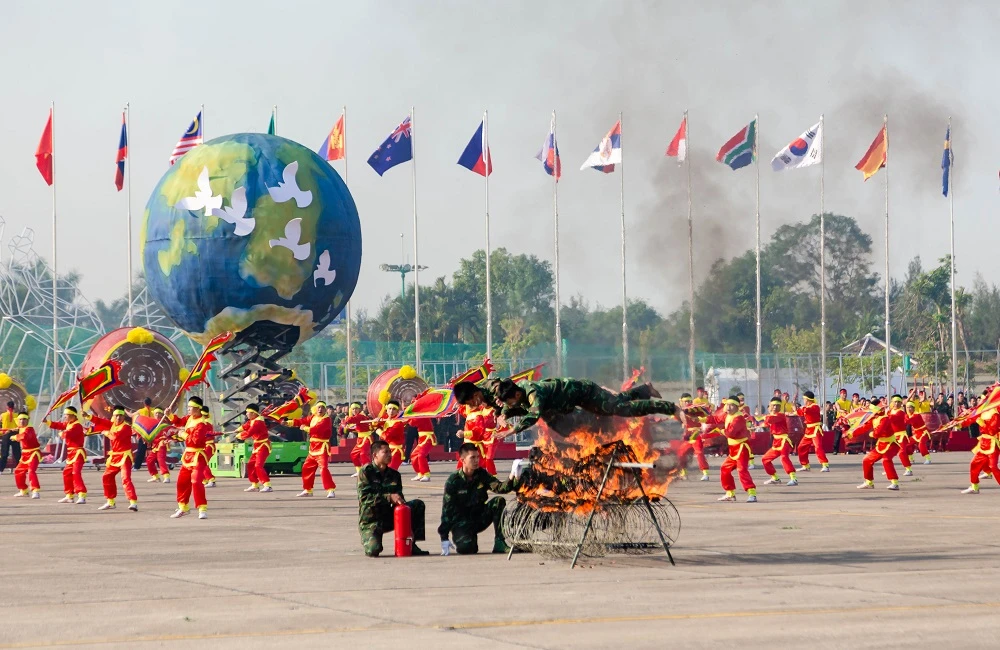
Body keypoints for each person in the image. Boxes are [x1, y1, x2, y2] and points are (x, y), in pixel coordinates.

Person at [489, 377, 679, 437]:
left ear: (516, 394)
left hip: (585, 393)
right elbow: (516, 405)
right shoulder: (517, 389)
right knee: (616, 403)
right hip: (575, 401)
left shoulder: (532, 393)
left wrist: (511, 430)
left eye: (509, 402)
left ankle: (669, 407)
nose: (509, 405)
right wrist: (504, 412)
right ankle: (645, 389)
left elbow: (533, 414)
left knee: (620, 409)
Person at [438, 443, 518, 555]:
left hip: (479, 517)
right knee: (467, 550)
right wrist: (444, 537)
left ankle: (499, 543)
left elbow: (500, 488)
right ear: (463, 460)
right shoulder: (453, 481)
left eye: (477, 457)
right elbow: (447, 510)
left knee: (498, 501)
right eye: (472, 458)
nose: (476, 461)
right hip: (461, 522)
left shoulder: (482, 474)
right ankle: (469, 539)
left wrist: (512, 477)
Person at [357, 440, 429, 557]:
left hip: (388, 517)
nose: (390, 455)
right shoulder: (366, 472)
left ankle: (412, 544)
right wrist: (388, 497)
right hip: (371, 520)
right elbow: (365, 498)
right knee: (373, 551)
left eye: (390, 451)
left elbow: (400, 499)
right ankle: (371, 538)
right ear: (375, 455)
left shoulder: (394, 475)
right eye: (385, 452)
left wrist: (407, 523)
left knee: (417, 505)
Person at [168, 397, 218, 519]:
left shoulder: (202, 424)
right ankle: (183, 507)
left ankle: (202, 508)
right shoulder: (189, 418)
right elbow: (179, 422)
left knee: (195, 481)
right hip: (188, 456)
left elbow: (195, 441)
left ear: (197, 408)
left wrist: (182, 434)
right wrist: (169, 415)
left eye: (190, 407)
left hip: (198, 455)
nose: (188, 409)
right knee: (182, 482)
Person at [701, 397, 758, 503]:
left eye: (731, 405)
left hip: (741, 448)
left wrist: (721, 430)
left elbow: (730, 433)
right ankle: (730, 493)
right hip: (733, 450)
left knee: (742, 470)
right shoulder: (727, 415)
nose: (728, 407)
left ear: (737, 407)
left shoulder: (738, 418)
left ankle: (752, 493)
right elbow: (716, 419)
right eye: (727, 405)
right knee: (725, 469)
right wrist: (702, 419)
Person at [88, 406, 140, 512]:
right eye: (116, 416)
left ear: (123, 416)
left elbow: (115, 436)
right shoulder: (112, 425)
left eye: (121, 415)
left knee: (125, 479)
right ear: (113, 416)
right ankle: (110, 501)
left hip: (125, 456)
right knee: (107, 477)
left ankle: (133, 503)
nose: (118, 418)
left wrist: (105, 432)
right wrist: (88, 416)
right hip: (114, 457)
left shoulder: (126, 427)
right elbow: (100, 421)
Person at [845, 399, 901, 491]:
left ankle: (895, 483)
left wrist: (871, 434)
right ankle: (869, 482)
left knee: (886, 459)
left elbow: (877, 433)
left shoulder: (885, 419)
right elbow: (864, 427)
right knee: (866, 460)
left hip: (891, 444)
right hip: (881, 444)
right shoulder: (874, 418)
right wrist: (851, 434)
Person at [47, 406, 94, 504]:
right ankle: (69, 495)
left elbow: (67, 434)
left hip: (77, 453)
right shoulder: (69, 424)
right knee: (67, 473)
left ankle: (81, 495)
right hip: (71, 454)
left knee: (76, 473)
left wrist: (61, 434)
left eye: (66, 415)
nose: (64, 416)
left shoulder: (77, 426)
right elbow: (59, 425)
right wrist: (47, 422)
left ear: (72, 415)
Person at [290, 401, 336, 498]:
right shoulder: (313, 417)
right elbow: (302, 421)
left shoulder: (326, 419)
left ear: (325, 410)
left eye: (322, 407)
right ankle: (308, 490)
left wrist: (305, 428)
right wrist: (289, 422)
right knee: (306, 468)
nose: (320, 409)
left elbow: (317, 429)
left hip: (322, 447)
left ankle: (330, 490)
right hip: (313, 447)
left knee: (323, 468)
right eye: (319, 407)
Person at [761, 398, 798, 486]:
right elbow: (766, 424)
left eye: (777, 405)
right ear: (770, 405)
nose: (775, 407)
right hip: (776, 442)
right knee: (765, 459)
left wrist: (764, 417)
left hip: (784, 440)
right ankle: (775, 478)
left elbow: (769, 420)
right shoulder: (771, 416)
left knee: (784, 457)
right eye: (773, 405)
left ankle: (793, 478)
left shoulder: (780, 415)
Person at [238, 404, 273, 493]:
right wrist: (239, 429)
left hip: (263, 446)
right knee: (250, 465)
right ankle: (255, 485)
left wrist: (241, 435)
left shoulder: (258, 422)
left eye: (247, 412)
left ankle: (267, 485)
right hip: (257, 446)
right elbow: (246, 426)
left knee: (258, 465)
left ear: (253, 413)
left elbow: (249, 432)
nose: (246, 414)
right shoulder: (253, 420)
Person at [676, 393, 710, 481]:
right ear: (681, 402)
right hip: (687, 435)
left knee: (699, 452)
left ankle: (705, 473)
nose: (687, 402)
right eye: (685, 401)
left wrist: (698, 418)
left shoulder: (696, 409)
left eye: (689, 401)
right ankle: (684, 472)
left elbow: (707, 416)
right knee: (681, 453)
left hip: (696, 434)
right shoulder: (681, 411)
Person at [796, 391, 830, 472]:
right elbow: (799, 413)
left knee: (818, 447)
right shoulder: (806, 407)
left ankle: (825, 465)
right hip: (808, 431)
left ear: (807, 399)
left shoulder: (815, 406)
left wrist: (801, 408)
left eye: (804, 399)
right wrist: (794, 408)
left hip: (815, 429)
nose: (803, 401)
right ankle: (805, 465)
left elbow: (807, 410)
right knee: (801, 447)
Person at [11, 412, 41, 498]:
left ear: (28, 420)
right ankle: (23, 490)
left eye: (24, 419)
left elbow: (24, 436)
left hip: (33, 453)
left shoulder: (29, 429)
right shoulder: (21, 428)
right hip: (25, 454)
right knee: (18, 471)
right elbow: (18, 429)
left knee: (31, 471)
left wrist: (14, 437)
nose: (22, 421)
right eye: (20, 419)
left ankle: (35, 491)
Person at [373, 400, 406, 470]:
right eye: (389, 409)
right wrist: (375, 422)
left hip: (396, 451)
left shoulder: (398, 423)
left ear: (397, 411)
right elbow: (373, 426)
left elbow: (386, 436)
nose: (391, 411)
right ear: (386, 410)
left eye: (394, 409)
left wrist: (378, 431)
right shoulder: (386, 419)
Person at [886, 395, 914, 477]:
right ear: (892, 403)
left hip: (901, 435)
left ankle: (908, 469)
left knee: (901, 452)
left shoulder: (901, 412)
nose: (897, 403)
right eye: (895, 402)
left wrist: (883, 414)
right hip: (892, 436)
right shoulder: (890, 411)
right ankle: (888, 469)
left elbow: (892, 418)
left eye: (899, 402)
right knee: (887, 454)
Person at [343, 402, 373, 477]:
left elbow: (351, 420)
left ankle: (368, 471)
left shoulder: (360, 416)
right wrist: (347, 427)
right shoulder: (357, 417)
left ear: (359, 409)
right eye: (353, 409)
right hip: (360, 439)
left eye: (356, 408)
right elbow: (353, 426)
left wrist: (346, 419)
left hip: (366, 438)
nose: (354, 410)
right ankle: (359, 471)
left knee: (363, 454)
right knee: (353, 455)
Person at [145, 407, 171, 483]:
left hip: (162, 443)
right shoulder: (151, 422)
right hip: (155, 445)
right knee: (149, 460)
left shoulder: (164, 422)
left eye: (159, 413)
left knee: (161, 459)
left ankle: (166, 476)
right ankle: (155, 476)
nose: (158, 415)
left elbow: (169, 430)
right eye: (156, 413)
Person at [905, 400, 932, 465]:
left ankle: (928, 458)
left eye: (910, 407)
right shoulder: (908, 415)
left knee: (921, 444)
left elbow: (907, 422)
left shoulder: (916, 415)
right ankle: (911, 459)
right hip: (917, 434)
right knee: (906, 444)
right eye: (907, 407)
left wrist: (903, 416)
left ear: (914, 408)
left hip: (923, 433)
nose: (909, 409)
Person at [133, 397, 154, 471]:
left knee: (141, 451)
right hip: (154, 433)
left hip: (144, 434)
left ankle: (136, 467)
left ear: (144, 403)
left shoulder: (140, 411)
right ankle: (160, 465)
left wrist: (125, 411)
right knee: (157, 450)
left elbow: (131, 415)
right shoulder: (154, 411)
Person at [0, 400, 22, 474]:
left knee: (4, 453)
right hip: (15, 434)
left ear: (7, 407)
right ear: (14, 407)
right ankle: (20, 468)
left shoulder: (2, 415)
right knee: (17, 453)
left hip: (5, 434)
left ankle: (1, 469)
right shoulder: (17, 415)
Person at [199, 406, 218, 488]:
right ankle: (204, 480)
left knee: (203, 462)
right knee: (200, 462)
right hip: (205, 446)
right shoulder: (204, 422)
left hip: (209, 445)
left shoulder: (206, 423)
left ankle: (211, 480)